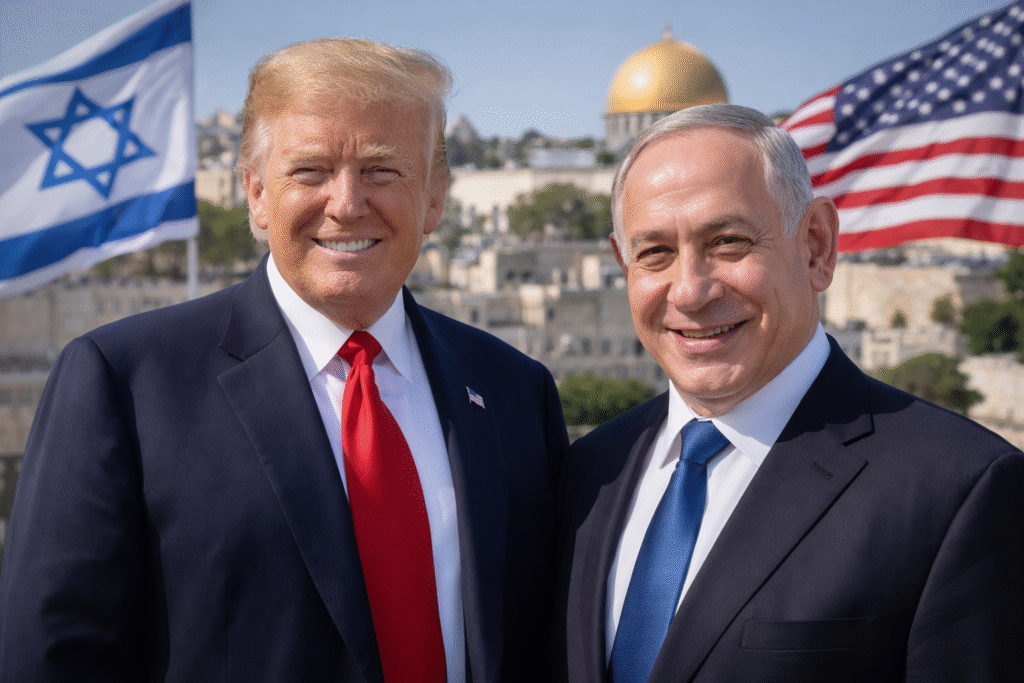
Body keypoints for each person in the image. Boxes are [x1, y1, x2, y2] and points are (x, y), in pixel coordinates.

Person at [0, 38, 568, 683]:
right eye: (311, 172)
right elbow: (53, 661)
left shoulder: (515, 392)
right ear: (256, 194)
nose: (347, 202)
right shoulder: (126, 387)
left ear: (434, 197)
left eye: (383, 169)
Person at [556, 103, 1024, 683]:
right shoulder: (587, 475)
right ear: (622, 265)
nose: (692, 291)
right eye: (655, 253)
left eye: (728, 242)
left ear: (816, 247)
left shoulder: (960, 490)